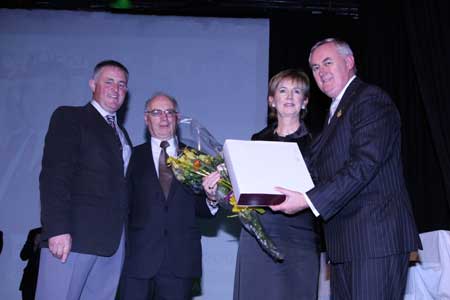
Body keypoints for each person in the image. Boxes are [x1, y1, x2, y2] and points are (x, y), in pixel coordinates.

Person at [270, 38, 421, 299]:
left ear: (349, 62)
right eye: (316, 68)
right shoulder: (336, 111)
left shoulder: (369, 100)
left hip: (374, 240)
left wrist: (307, 200)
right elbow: (315, 171)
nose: (321, 72)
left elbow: (364, 164)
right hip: (347, 244)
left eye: (328, 62)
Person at [203, 69, 321, 299]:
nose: (289, 97)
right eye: (282, 91)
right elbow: (241, 196)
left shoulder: (318, 142)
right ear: (271, 100)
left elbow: (325, 190)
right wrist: (216, 191)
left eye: (296, 91)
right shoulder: (257, 140)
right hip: (257, 238)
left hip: (299, 238)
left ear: (304, 101)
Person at [36, 60, 132, 300]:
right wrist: (57, 229)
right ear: (92, 84)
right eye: (108, 82)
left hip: (111, 243)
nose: (116, 89)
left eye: (122, 85)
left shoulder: (123, 134)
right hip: (72, 239)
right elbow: (54, 175)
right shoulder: (70, 117)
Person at [119, 93, 218, 300]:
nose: (163, 118)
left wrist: (211, 197)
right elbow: (122, 207)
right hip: (137, 261)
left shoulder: (198, 158)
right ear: (147, 119)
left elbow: (202, 209)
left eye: (169, 112)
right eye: (156, 112)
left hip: (180, 262)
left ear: (177, 117)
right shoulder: (132, 157)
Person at [19, 227, 42, 300]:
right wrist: (35, 245)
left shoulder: (56, 234)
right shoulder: (34, 232)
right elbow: (23, 256)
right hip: (30, 281)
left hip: (48, 281)